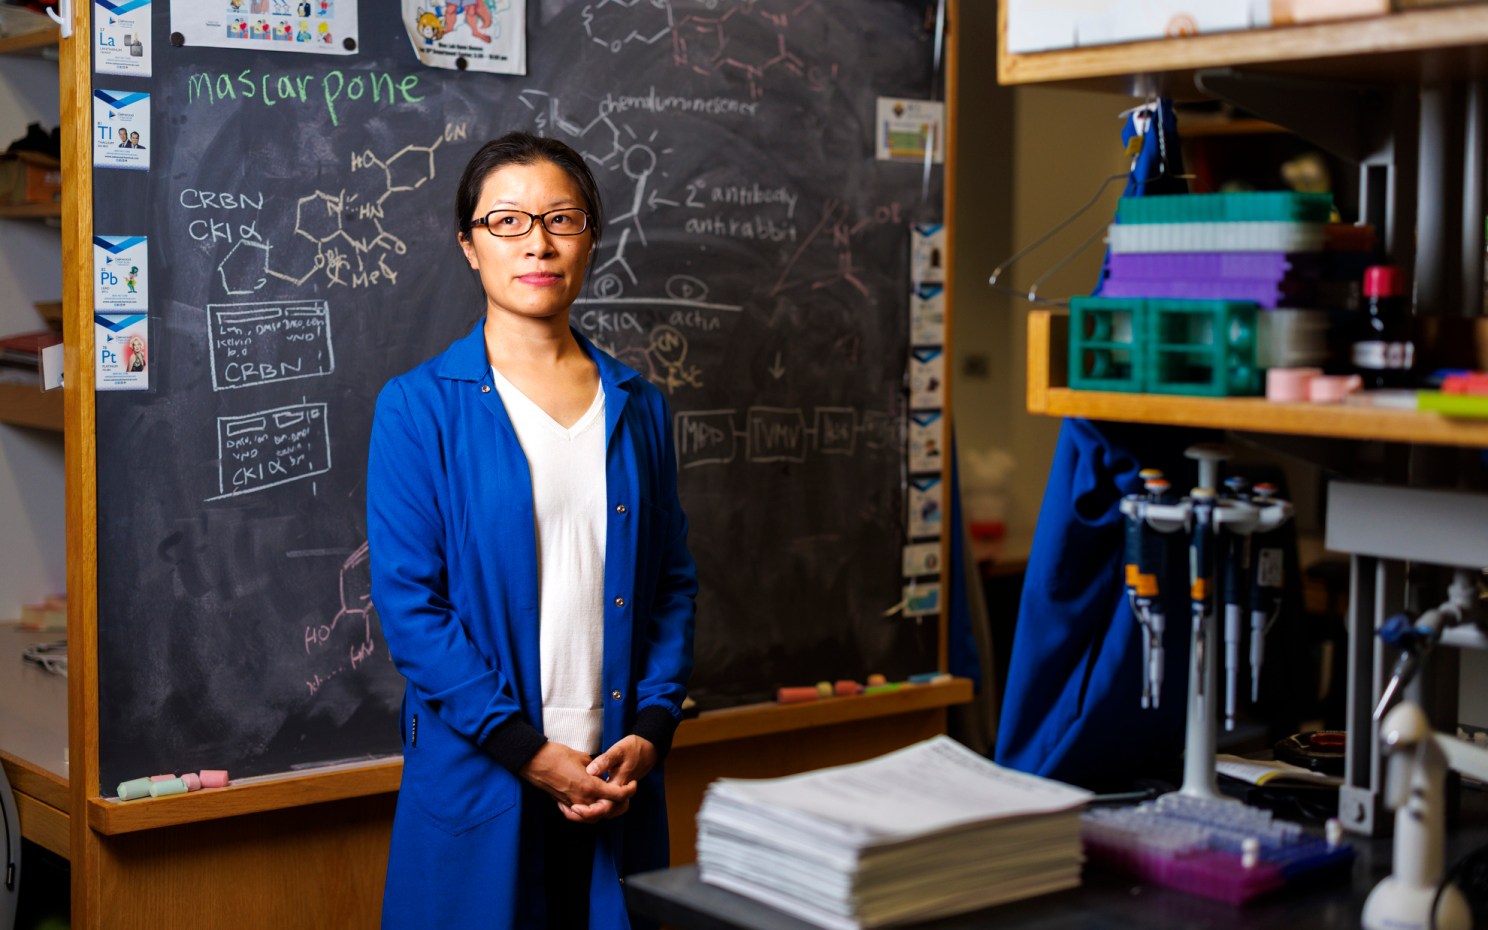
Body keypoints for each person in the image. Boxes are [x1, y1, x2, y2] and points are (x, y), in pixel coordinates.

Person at [367, 131, 697, 929]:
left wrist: (653, 728)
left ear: (590, 237)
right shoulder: (419, 408)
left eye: (561, 218)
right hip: (483, 774)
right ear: (469, 244)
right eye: (507, 221)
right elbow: (412, 610)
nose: (538, 243)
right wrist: (530, 752)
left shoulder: (639, 406)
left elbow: (672, 585)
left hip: (617, 775)